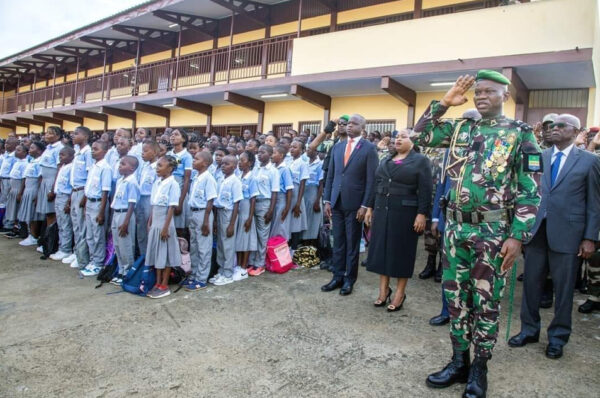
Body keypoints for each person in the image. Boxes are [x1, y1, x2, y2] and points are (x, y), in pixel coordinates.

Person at [413, 71, 542, 398]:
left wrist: (518, 236)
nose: (480, 96)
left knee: (485, 300)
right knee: (455, 297)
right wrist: (444, 102)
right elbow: (420, 135)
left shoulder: (520, 134)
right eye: (477, 92)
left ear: (505, 96)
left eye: (488, 91)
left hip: (493, 231)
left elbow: (531, 191)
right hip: (456, 229)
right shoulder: (459, 129)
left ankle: (480, 367)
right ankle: (459, 361)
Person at [509, 114, 600, 359]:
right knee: (531, 285)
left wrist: (590, 237)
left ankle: (558, 337)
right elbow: (527, 190)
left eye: (561, 126)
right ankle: (529, 329)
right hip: (537, 231)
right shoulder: (540, 156)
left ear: (576, 130)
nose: (554, 129)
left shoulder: (589, 161)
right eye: (551, 126)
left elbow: (594, 203)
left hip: (568, 234)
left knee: (564, 290)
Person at [364, 129, 432, 310]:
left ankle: (400, 293)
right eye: (397, 137)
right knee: (381, 251)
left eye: (404, 137)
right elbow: (376, 184)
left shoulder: (420, 160)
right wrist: (370, 207)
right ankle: (383, 290)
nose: (398, 140)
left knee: (401, 252)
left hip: (405, 213)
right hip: (382, 210)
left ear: (413, 141)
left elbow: (426, 189)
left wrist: (422, 213)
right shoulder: (386, 159)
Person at [322, 114, 379, 296]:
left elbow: (372, 180)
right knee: (338, 241)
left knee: (352, 243)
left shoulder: (369, 149)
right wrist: (327, 200)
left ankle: (349, 279)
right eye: (348, 124)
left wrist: (365, 205)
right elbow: (331, 175)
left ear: (362, 128)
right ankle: (337, 276)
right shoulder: (337, 148)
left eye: (354, 124)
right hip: (336, 201)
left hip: (356, 204)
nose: (348, 126)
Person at [146, 155, 182, 299]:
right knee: (157, 254)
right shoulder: (157, 183)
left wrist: (165, 227)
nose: (157, 168)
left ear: (170, 168)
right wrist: (150, 221)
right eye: (157, 165)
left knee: (165, 254)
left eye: (160, 165)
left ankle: (164, 284)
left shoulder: (173, 184)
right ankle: (157, 281)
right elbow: (154, 205)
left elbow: (171, 208)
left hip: (165, 223)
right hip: (156, 222)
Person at [184, 151, 217, 291]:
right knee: (194, 245)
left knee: (204, 247)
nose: (193, 160)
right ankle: (194, 274)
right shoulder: (196, 177)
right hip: (194, 212)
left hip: (203, 214)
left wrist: (206, 221)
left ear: (205, 163)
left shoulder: (208, 178)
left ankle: (201, 279)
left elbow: (210, 201)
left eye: (196, 159)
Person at [209, 155, 243, 286]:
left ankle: (228, 273)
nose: (223, 165)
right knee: (221, 244)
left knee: (228, 245)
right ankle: (221, 270)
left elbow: (236, 204)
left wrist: (231, 224)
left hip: (229, 214)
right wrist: (216, 220)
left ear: (234, 167)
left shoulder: (235, 181)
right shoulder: (221, 179)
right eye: (222, 163)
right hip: (220, 212)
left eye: (227, 164)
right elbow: (217, 201)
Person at [63, 126, 94, 267]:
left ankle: (82, 256)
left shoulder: (88, 153)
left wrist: (85, 197)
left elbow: (90, 177)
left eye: (76, 134)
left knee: (82, 226)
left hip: (82, 192)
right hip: (74, 191)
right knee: (76, 224)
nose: (72, 135)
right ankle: (76, 252)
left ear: (86, 137)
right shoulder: (77, 152)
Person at [80, 141, 112, 277]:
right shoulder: (93, 166)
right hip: (90, 202)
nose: (93, 151)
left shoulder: (105, 168)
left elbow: (105, 191)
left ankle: (98, 263)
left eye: (96, 149)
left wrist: (101, 212)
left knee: (98, 235)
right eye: (92, 149)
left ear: (104, 151)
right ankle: (93, 260)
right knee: (90, 234)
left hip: (99, 203)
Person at [248, 145, 279, 277]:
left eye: (263, 152)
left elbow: (274, 192)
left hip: (265, 204)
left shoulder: (273, 171)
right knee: (253, 233)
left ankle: (260, 264)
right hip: (253, 202)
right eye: (258, 152)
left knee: (262, 235)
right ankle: (251, 261)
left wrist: (271, 210)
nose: (260, 154)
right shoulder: (256, 169)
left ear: (271, 154)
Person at [110, 156, 140, 285]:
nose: (119, 166)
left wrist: (126, 222)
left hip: (125, 215)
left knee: (126, 245)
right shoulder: (121, 180)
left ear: (132, 168)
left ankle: (128, 272)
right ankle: (121, 269)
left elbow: (132, 204)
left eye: (123, 164)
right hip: (117, 213)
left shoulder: (132, 182)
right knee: (117, 244)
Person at [48, 147, 74, 261]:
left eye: (63, 155)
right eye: (59, 155)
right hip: (59, 196)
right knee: (60, 223)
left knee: (65, 224)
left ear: (71, 156)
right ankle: (61, 246)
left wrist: (69, 201)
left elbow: (72, 185)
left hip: (65, 196)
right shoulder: (62, 167)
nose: (60, 157)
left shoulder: (71, 168)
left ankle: (66, 249)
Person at [235, 151, 258, 280]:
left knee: (246, 240)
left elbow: (253, 199)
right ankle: (238, 265)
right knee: (239, 240)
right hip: (238, 211)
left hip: (246, 210)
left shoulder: (252, 178)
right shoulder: (238, 176)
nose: (240, 162)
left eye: (242, 160)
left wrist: (250, 217)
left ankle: (244, 267)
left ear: (249, 163)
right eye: (239, 160)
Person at [36, 127, 64, 231]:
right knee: (46, 211)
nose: (47, 135)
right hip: (45, 180)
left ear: (58, 136)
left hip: (51, 181)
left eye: (50, 133)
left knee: (51, 211)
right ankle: (46, 238)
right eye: (46, 133)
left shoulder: (59, 148)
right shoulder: (48, 147)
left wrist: (53, 188)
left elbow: (59, 167)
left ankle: (50, 240)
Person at [18, 141, 44, 246]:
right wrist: (22, 191)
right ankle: (31, 234)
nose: (30, 149)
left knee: (33, 215)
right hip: (28, 189)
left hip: (34, 189)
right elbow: (25, 177)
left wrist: (38, 193)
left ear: (39, 151)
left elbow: (40, 178)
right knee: (28, 213)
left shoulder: (40, 162)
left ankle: (34, 236)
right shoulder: (32, 161)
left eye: (32, 148)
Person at [168, 129, 192, 238]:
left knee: (179, 227)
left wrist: (180, 202)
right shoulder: (169, 154)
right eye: (171, 134)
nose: (172, 136)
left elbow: (187, 179)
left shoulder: (186, 156)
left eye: (176, 134)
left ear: (183, 139)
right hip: (168, 189)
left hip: (180, 190)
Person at [136, 139, 159, 257]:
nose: (142, 153)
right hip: (141, 198)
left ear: (155, 152)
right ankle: (142, 257)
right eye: (142, 151)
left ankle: (151, 259)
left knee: (149, 229)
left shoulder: (158, 168)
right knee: (141, 231)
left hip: (150, 200)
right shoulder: (144, 166)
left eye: (145, 151)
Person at [288, 140, 309, 250]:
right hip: (288, 194)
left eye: (295, 147)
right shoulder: (288, 162)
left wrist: (298, 203)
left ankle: (294, 249)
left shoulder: (303, 164)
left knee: (296, 222)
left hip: (297, 195)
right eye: (291, 146)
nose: (291, 149)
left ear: (301, 150)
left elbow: (302, 184)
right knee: (288, 222)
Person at [4, 144, 28, 236]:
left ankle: (18, 228)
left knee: (17, 209)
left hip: (18, 188)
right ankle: (14, 226)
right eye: (16, 150)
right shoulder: (17, 162)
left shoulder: (25, 164)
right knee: (12, 209)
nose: (16, 152)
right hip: (13, 187)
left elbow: (23, 179)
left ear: (25, 152)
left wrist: (20, 192)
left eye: (19, 150)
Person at [302, 145, 324, 244]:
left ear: (316, 151)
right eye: (307, 149)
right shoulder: (305, 162)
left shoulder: (320, 164)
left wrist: (317, 201)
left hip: (313, 192)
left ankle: (311, 243)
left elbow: (321, 184)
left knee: (312, 219)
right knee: (305, 217)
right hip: (304, 193)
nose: (307, 151)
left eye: (310, 149)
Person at [0, 137, 18, 232]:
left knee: (8, 202)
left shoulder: (15, 156)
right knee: (2, 202)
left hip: (9, 180)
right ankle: (3, 222)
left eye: (9, 143)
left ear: (15, 145)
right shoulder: (6, 155)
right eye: (6, 143)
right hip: (2, 180)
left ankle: (8, 224)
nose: (6, 145)